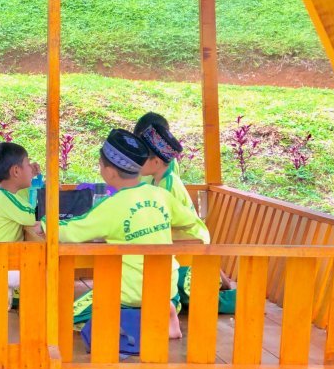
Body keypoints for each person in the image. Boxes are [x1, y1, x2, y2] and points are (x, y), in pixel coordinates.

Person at [53, 129, 210, 338]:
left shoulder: (111, 206)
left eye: (100, 165)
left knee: (65, 317)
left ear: (110, 172)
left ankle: (133, 322)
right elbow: (192, 222)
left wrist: (44, 225)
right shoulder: (161, 195)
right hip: (167, 290)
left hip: (128, 295)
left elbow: (71, 232)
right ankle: (162, 314)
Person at [134, 113, 236, 313]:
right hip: (174, 243)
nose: (136, 161)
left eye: (142, 157)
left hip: (188, 244)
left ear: (156, 161)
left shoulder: (168, 185)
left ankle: (239, 298)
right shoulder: (158, 178)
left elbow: (162, 223)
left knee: (184, 290)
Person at [0, 142, 44, 309]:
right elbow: (30, 215)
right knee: (44, 267)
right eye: (28, 164)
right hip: (4, 264)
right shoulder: (6, 199)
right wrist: (40, 186)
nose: (31, 168)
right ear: (16, 171)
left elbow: (22, 199)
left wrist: (33, 177)